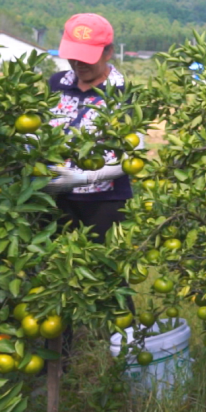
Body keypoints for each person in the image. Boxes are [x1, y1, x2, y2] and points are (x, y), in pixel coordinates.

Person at [45, 13, 134, 242]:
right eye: (74, 57)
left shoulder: (122, 93)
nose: (79, 64)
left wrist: (83, 178)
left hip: (103, 202)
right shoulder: (57, 84)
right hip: (53, 198)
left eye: (86, 57)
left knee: (103, 269)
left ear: (108, 52)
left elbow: (132, 154)